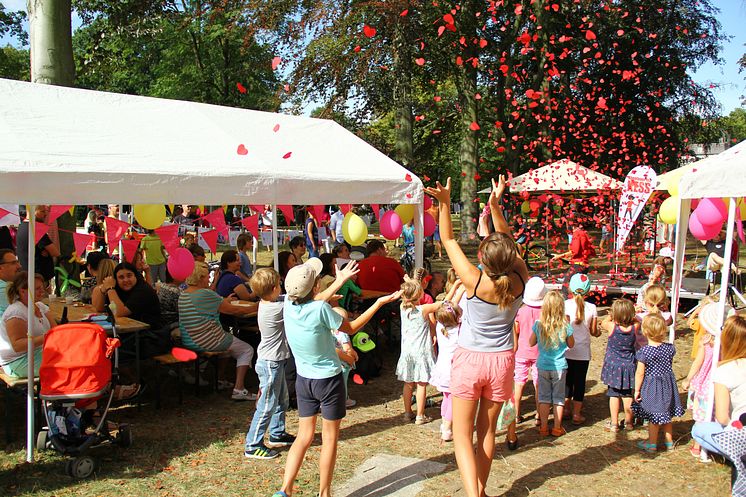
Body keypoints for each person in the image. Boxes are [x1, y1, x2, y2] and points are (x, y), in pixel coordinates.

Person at [425, 175, 529, 497]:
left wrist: (445, 203)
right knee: (487, 433)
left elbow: (449, 239)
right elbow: (509, 241)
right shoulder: (521, 278)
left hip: (470, 360)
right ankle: (480, 490)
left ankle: (473, 495)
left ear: (483, 258)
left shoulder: (473, 280)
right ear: (511, 258)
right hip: (502, 363)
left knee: (461, 435)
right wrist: (495, 204)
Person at [272, 258, 399, 497]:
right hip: (329, 380)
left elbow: (312, 299)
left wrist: (338, 282)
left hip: (304, 380)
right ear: (316, 287)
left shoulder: (288, 304)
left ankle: (284, 489)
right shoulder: (321, 309)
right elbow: (350, 328)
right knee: (330, 439)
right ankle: (325, 492)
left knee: (304, 436)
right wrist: (378, 303)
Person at [178, 261, 258, 401]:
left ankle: (220, 378)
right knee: (246, 349)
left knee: (228, 345)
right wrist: (257, 306)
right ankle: (239, 388)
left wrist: (224, 300)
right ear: (201, 278)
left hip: (189, 339)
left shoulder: (184, 294)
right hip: (208, 340)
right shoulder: (205, 294)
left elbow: (217, 303)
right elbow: (236, 310)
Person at [244, 268, 295, 460]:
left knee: (282, 399)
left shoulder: (268, 302)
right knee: (267, 405)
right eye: (279, 285)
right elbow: (296, 302)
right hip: (270, 363)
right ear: (274, 288)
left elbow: (286, 297)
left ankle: (277, 433)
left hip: (275, 360)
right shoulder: (277, 308)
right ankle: (252, 444)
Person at [691, 314, 746, 459]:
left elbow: (722, 418)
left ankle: (735, 454)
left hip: (740, 431)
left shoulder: (724, 370)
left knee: (698, 429)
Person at [632, 314, 686, 452]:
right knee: (666, 414)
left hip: (652, 386)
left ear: (645, 332)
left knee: (654, 416)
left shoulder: (644, 352)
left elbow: (640, 373)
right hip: (667, 384)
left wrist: (637, 390)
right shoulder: (669, 348)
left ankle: (652, 443)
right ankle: (669, 442)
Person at [683, 303, 729, 457]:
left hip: (708, 383)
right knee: (715, 414)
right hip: (717, 383)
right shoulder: (725, 343)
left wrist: (689, 378)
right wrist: (689, 378)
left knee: (704, 416)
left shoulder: (707, 341)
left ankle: (701, 445)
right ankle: (705, 445)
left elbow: (698, 362)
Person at [528, 290, 575, 437]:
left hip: (542, 365)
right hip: (560, 366)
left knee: (543, 397)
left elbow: (531, 342)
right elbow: (571, 344)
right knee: (558, 398)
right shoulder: (565, 326)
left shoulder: (539, 324)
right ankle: (556, 427)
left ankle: (543, 427)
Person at [507, 276, 545, 448]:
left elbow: (516, 329)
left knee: (519, 383)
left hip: (521, 351)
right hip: (539, 352)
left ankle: (516, 414)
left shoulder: (520, 310)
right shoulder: (544, 312)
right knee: (538, 383)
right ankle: (539, 414)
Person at [397, 276, 439, 425]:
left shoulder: (403, 308)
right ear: (420, 293)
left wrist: (410, 282)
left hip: (407, 352)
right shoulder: (424, 309)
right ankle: (420, 415)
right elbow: (441, 304)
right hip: (421, 352)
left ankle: (407, 413)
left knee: (408, 384)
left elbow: (408, 293)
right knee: (421, 384)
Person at [429, 280, 466, 442]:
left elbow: (447, 306)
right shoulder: (460, 330)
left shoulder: (440, 327)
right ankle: (447, 427)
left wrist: (458, 289)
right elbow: (452, 308)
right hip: (453, 370)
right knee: (452, 399)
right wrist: (462, 289)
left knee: (446, 396)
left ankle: (444, 421)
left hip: (441, 368)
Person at [0, 272, 55, 378]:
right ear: (22, 291)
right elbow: (17, 345)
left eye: (42, 287)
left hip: (38, 352)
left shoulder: (40, 306)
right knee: (63, 364)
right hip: (18, 360)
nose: (42, 290)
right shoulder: (16, 312)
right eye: (37, 288)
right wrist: (46, 337)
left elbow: (56, 330)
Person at [564, 273, 598, 425]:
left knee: (567, 381)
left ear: (570, 288)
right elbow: (594, 331)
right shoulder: (592, 308)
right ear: (588, 291)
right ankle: (577, 414)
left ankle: (565, 409)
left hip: (566, 350)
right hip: (583, 353)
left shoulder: (565, 304)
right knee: (579, 383)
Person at [600, 298, 638, 432]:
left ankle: (614, 423)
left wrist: (610, 315)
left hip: (613, 366)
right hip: (628, 365)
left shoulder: (612, 327)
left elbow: (603, 322)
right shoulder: (635, 327)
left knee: (614, 394)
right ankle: (629, 423)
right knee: (628, 394)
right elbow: (638, 320)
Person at [94, 261, 161, 330]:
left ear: (135, 276)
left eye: (129, 276)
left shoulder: (143, 290)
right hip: (130, 331)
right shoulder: (118, 289)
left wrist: (110, 288)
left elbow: (120, 312)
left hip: (148, 334)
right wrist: (103, 289)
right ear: (116, 280)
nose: (126, 280)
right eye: (121, 277)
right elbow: (100, 309)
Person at [16, 205, 60, 285]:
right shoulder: (36, 229)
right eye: (42, 211)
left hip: (27, 273)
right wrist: (46, 251)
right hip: (38, 277)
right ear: (33, 211)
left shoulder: (21, 227)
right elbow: (55, 252)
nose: (45, 214)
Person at [552, 219, 595, 298]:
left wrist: (559, 256)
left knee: (566, 287)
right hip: (583, 265)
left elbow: (574, 251)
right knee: (579, 289)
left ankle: (569, 306)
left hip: (578, 265)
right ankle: (578, 306)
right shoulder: (584, 234)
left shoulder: (577, 233)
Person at [634, 284, 673, 350]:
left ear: (646, 302)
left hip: (640, 349)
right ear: (664, 302)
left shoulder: (639, 317)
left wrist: (634, 312)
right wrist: (666, 309)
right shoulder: (665, 316)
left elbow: (629, 325)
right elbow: (670, 322)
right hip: (656, 349)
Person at [0, 249, 22, 314]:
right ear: (0, 268)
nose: (19, 266)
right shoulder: (4, 289)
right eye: (13, 263)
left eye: (18, 262)